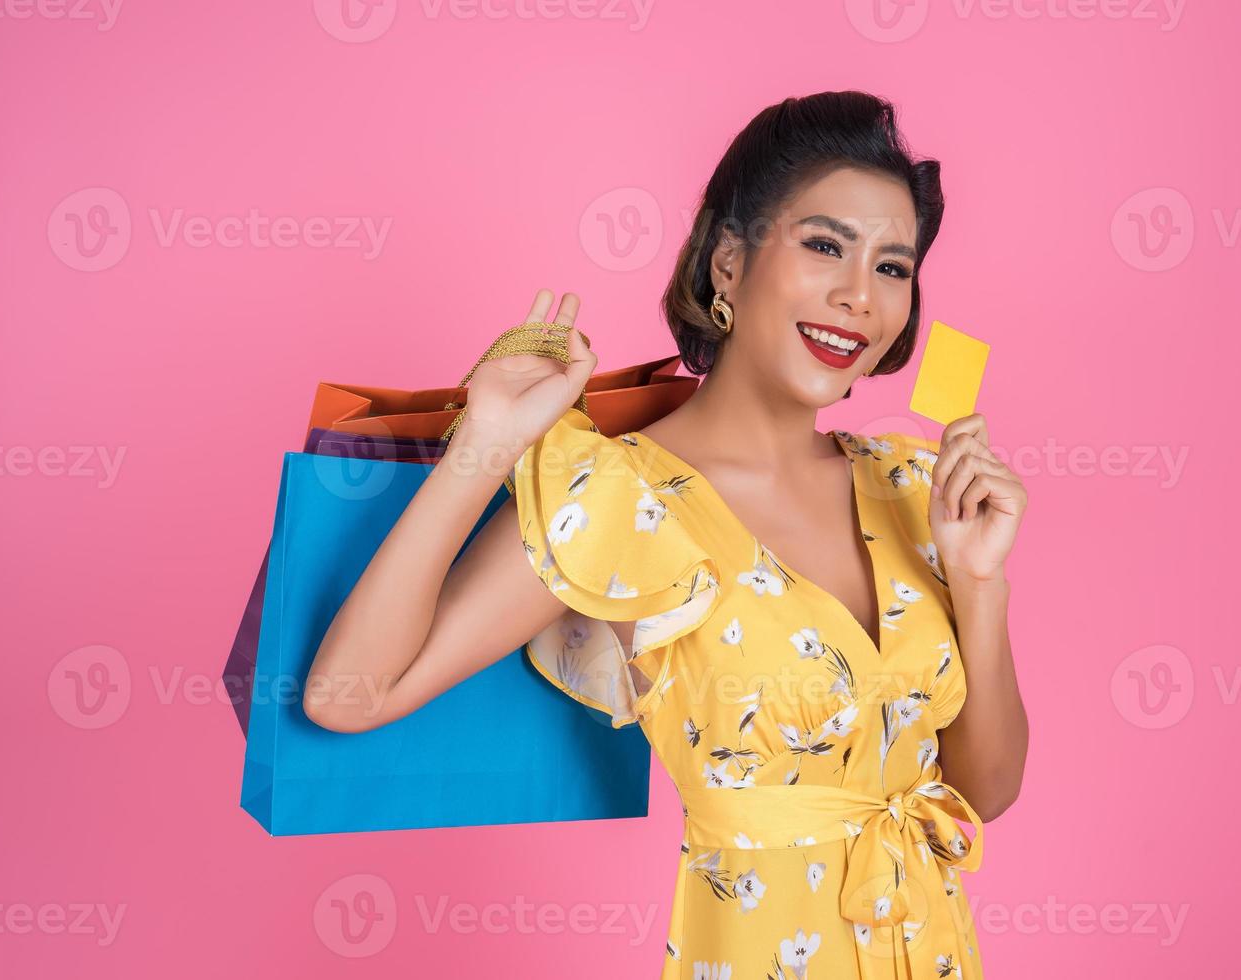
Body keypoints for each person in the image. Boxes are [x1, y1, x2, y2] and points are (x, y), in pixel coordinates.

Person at [304, 90, 1029, 980]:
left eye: (893, 266)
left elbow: (983, 794)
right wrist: (487, 446)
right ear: (729, 262)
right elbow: (348, 696)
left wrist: (980, 581)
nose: (857, 296)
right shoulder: (623, 501)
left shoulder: (917, 486)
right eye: (825, 245)